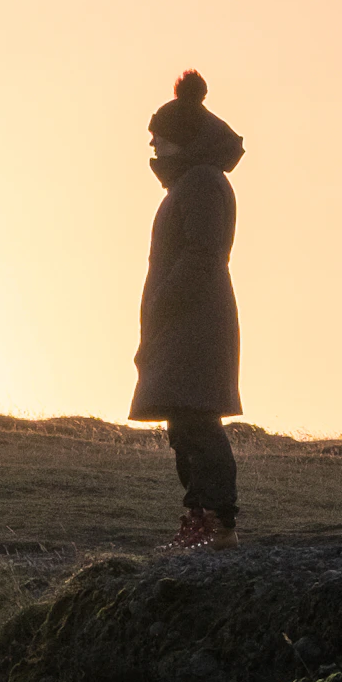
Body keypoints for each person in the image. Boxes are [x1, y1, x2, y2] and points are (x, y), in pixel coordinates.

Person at [129, 69, 245, 549]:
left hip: (194, 322)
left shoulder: (200, 183)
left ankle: (219, 524)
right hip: (180, 322)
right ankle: (199, 520)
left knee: (197, 422)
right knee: (183, 424)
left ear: (182, 140)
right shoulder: (191, 183)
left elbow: (203, 253)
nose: (153, 147)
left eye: (160, 139)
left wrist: (165, 301)